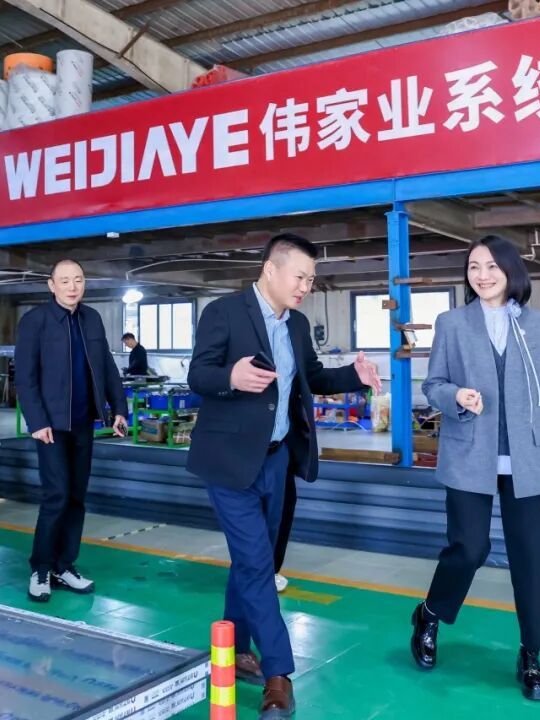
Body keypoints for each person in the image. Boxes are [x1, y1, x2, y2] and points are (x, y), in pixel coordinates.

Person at [186, 234, 381, 718]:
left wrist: (353, 375)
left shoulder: (296, 324)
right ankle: (279, 673)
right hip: (229, 461)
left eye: (311, 280)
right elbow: (198, 375)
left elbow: (312, 376)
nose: (305, 287)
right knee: (257, 565)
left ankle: (234, 650)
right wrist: (230, 378)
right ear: (271, 270)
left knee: (256, 559)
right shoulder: (224, 313)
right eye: (300, 277)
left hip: (277, 460)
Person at [412, 235, 540, 702]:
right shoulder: (452, 323)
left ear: (510, 270)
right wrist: (456, 396)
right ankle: (429, 614)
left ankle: (531, 654)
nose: (482, 275)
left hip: (528, 459)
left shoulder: (538, 325)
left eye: (491, 266)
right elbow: (433, 384)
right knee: (469, 549)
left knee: (530, 558)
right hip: (469, 455)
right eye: (473, 267)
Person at [15, 259, 128, 603]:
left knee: (77, 497)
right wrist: (36, 421)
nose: (72, 286)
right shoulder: (35, 321)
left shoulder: (91, 318)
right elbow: (25, 376)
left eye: (78, 280)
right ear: (52, 285)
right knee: (57, 495)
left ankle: (64, 565)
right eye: (64, 281)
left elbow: (106, 366)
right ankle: (41, 567)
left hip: (83, 422)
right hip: (51, 426)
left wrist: (118, 408)